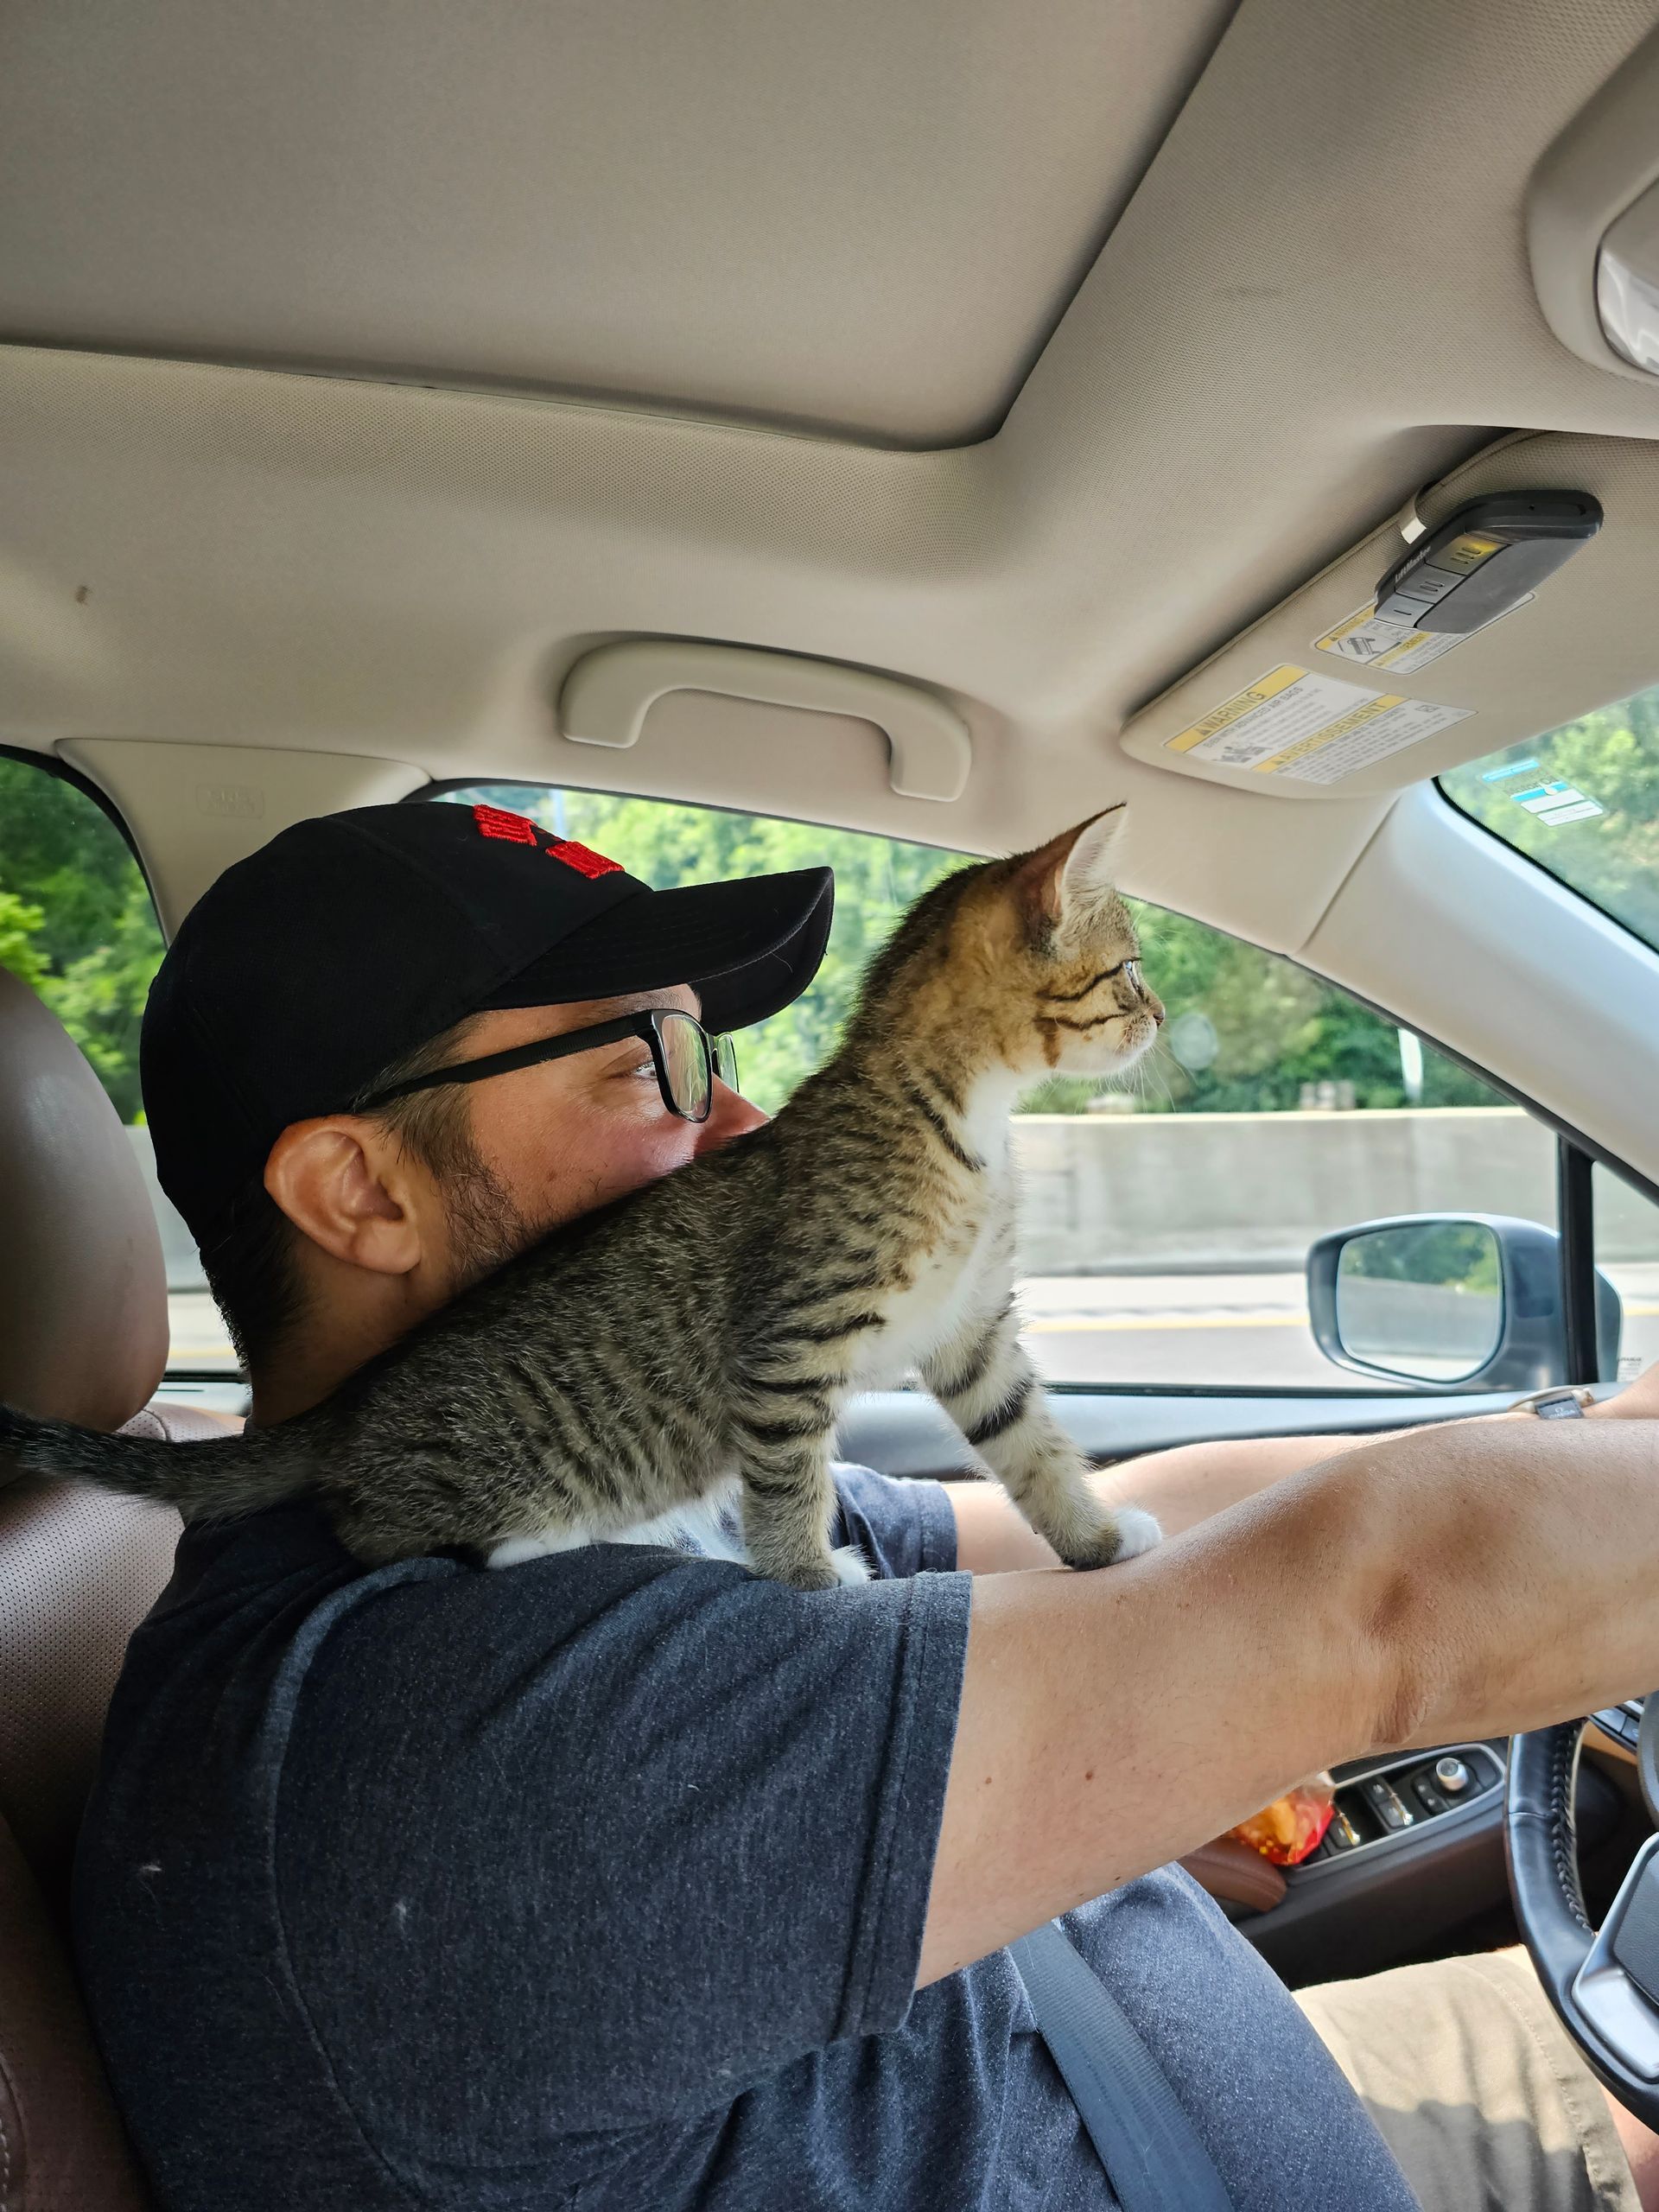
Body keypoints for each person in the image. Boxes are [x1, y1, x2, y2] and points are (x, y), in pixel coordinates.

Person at [76, 797, 1659, 2212]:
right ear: (363, 1190)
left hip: (1177, 2084)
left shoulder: (637, 1499)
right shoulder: (441, 1726)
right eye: (656, 1062)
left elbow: (1119, 1513)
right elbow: (1387, 1602)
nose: (743, 1117)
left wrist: (1587, 1424)